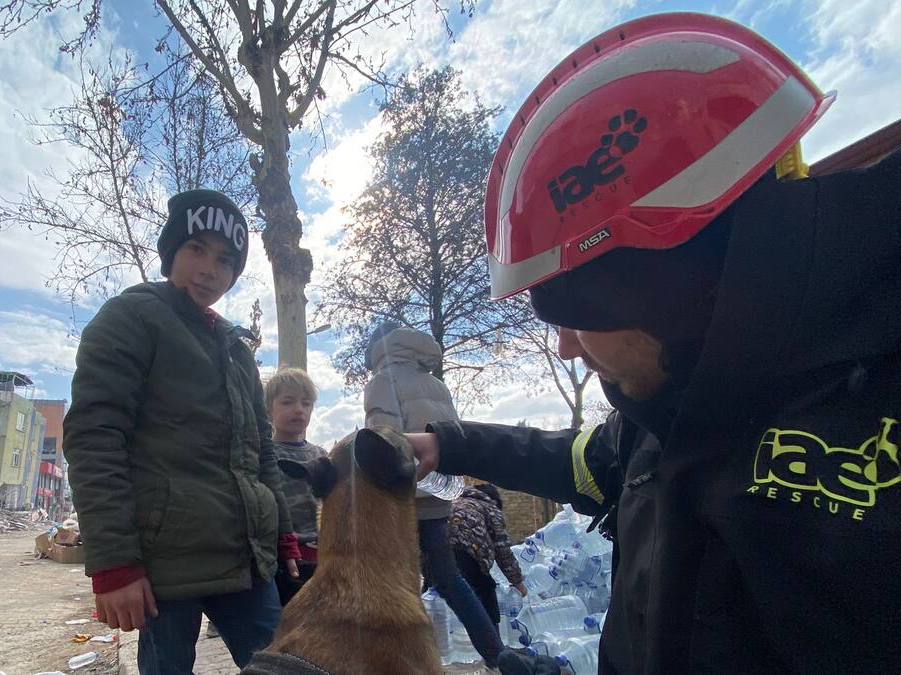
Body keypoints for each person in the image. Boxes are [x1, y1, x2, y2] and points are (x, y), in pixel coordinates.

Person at [407, 12, 901, 674]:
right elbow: (582, 460)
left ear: (663, 287)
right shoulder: (667, 407)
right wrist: (452, 443)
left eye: (573, 312)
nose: (568, 350)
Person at [63, 189, 300, 674]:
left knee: (290, 666)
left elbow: (263, 455)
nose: (210, 269)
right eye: (197, 249)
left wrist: (281, 534)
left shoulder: (237, 350)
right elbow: (94, 438)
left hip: (243, 561)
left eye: (225, 259)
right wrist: (114, 565)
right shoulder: (132, 318)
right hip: (161, 568)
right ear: (172, 250)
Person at [363, 323, 508, 669]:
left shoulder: (382, 381)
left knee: (393, 583)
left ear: (375, 350)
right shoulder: (435, 383)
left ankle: (401, 662)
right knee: (450, 579)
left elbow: (381, 438)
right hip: (440, 493)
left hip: (401, 494)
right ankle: (498, 655)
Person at [264, 367, 325, 605]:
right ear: (269, 410)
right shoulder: (265, 455)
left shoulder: (321, 455)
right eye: (288, 402)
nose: (299, 409)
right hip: (285, 555)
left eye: (306, 403)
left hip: (322, 552)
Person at [449, 484, 526, 631]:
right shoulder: (490, 508)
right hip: (467, 552)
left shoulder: (455, 502)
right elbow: (502, 549)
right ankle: (493, 645)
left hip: (436, 550)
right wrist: (517, 582)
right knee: (485, 590)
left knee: (440, 597)